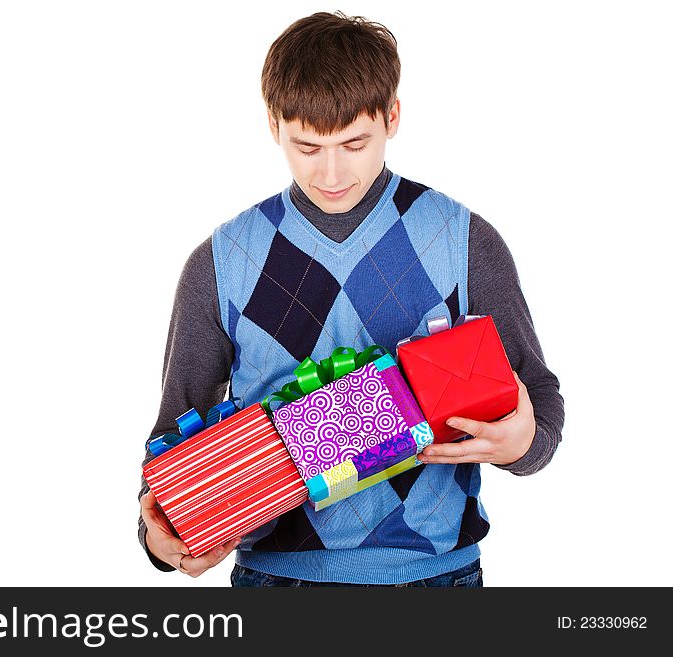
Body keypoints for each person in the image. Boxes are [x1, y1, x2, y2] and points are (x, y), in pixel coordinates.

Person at [137, 11, 564, 587]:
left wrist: (523, 443)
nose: (332, 172)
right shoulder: (219, 262)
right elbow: (170, 445)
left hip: (438, 579)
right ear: (273, 125)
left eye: (355, 143)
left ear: (392, 117)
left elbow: (537, 398)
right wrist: (162, 539)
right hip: (276, 582)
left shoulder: (463, 240)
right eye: (307, 146)